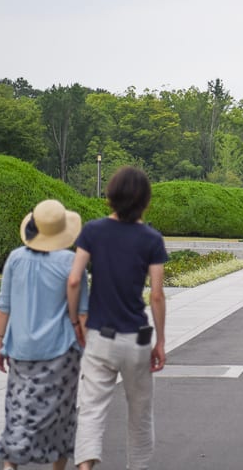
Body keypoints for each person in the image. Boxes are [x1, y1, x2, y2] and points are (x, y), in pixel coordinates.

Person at [67, 166, 168, 470]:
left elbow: (74, 280)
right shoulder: (151, 239)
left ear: (110, 196)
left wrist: (76, 321)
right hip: (136, 338)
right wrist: (160, 341)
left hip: (100, 334)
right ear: (145, 201)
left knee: (91, 409)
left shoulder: (93, 231)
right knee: (140, 413)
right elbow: (157, 295)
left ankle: (85, 466)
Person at [0, 199, 85, 470]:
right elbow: (81, 312)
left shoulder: (15, 258)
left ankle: (11, 462)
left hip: (20, 348)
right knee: (62, 414)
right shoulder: (71, 262)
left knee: (20, 409)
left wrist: (0, 342)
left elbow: (4, 304)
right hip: (62, 349)